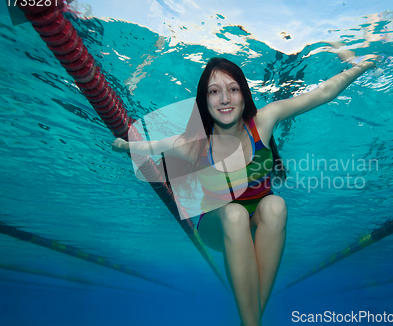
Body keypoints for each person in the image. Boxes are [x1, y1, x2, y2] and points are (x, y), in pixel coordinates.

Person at [112, 46, 376, 326]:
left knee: (276, 205)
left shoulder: (262, 122)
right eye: (214, 91)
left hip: (256, 221)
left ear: (244, 94)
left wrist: (357, 67)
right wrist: (127, 146)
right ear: (204, 100)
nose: (225, 99)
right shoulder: (194, 143)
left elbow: (322, 93)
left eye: (233, 89)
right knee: (235, 213)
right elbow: (153, 145)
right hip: (218, 225)